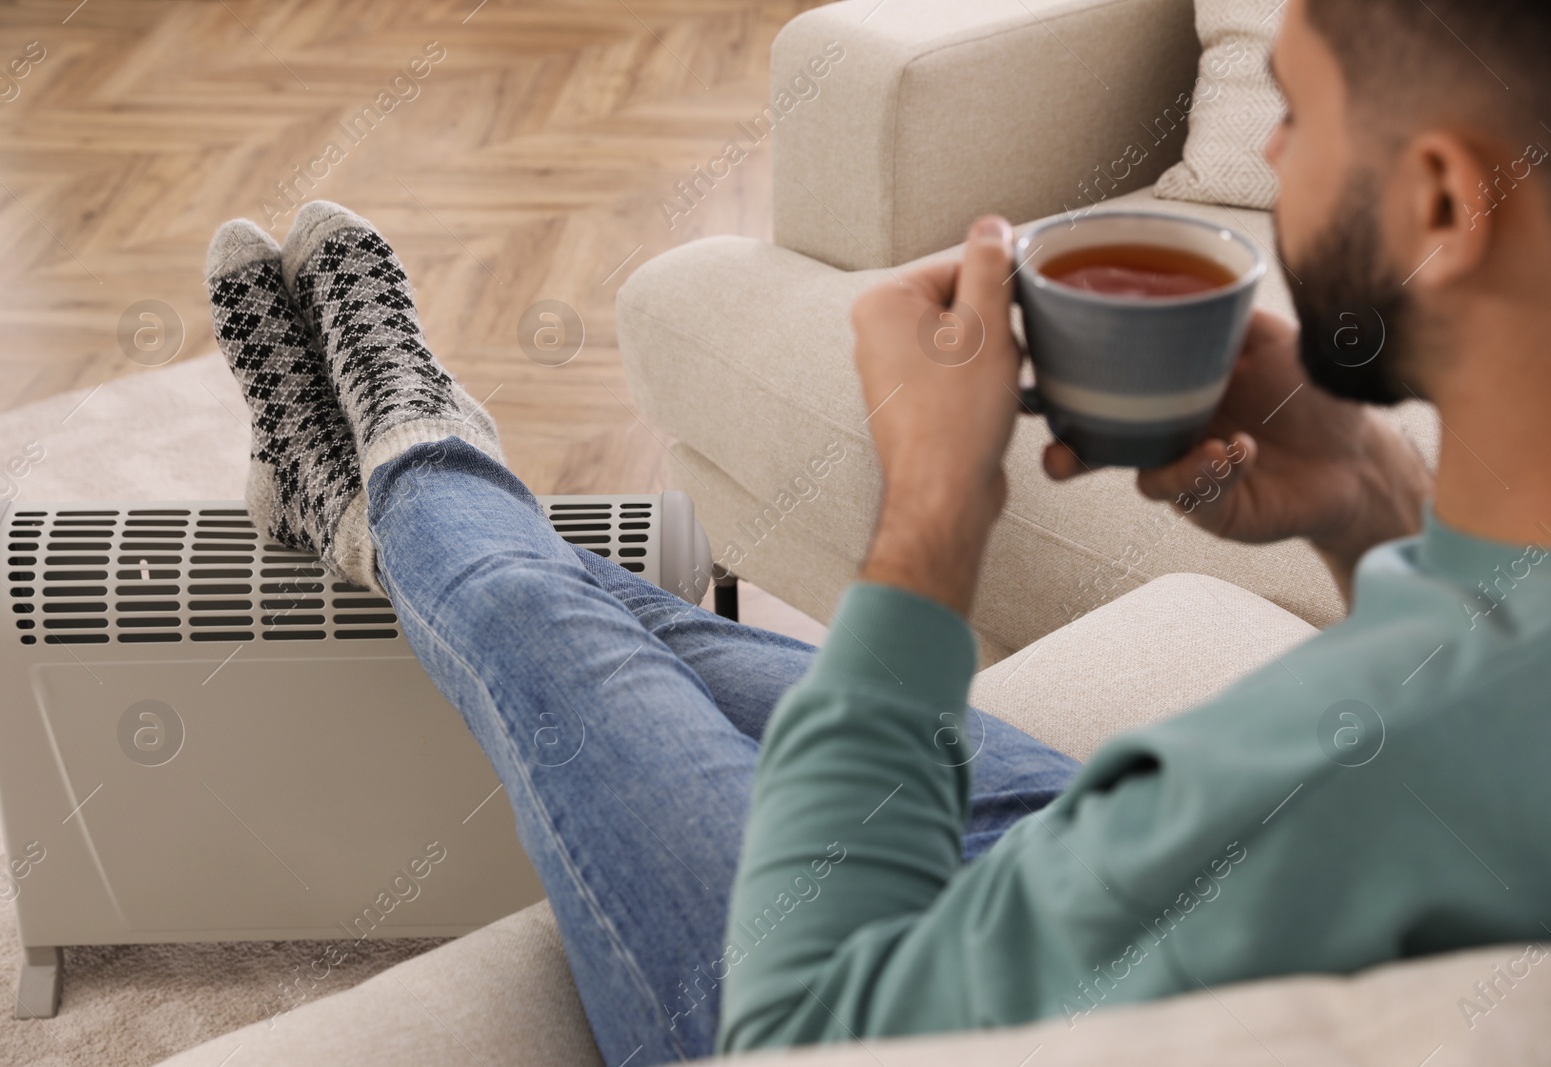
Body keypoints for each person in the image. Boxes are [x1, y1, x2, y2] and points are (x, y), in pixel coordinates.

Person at [203, 0, 1551, 1061]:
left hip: (929, 996)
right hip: (1144, 907)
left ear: (1442, 201)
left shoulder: (1324, 770)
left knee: (532, 618)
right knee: (643, 628)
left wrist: (930, 510)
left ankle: (416, 467)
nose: (1267, 153)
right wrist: (1378, 512)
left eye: (1300, 113)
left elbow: (801, 1041)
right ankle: (379, 487)